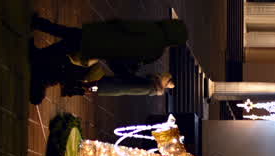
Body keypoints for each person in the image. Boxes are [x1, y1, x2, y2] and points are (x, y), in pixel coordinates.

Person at [31, 15, 188, 68]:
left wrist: (110, 23)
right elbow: (136, 61)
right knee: (69, 42)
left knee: (68, 37)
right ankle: (41, 32)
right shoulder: (157, 52)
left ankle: (38, 52)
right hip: (106, 50)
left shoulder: (154, 30)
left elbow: (126, 26)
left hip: (105, 36)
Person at [91, 72, 174, 97]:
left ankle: (87, 86)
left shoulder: (150, 86)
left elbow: (129, 87)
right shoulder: (152, 84)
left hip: (111, 86)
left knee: (93, 86)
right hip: (114, 85)